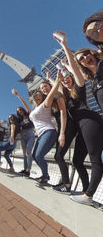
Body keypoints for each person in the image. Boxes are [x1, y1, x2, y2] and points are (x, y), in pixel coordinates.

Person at [54, 31, 103, 205]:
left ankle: (88, 195)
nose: (68, 82)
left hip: (91, 122)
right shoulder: (66, 97)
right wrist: (62, 73)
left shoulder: (80, 86)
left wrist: (64, 46)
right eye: (81, 59)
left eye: (70, 79)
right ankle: (85, 190)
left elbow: (75, 71)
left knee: (95, 158)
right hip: (83, 128)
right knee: (76, 160)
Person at [12, 76, 61, 184]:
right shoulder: (34, 110)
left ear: (43, 97)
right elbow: (25, 107)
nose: (37, 96)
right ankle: (45, 175)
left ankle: (45, 176)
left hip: (49, 131)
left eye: (40, 94)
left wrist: (57, 81)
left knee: (39, 155)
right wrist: (18, 95)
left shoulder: (45, 104)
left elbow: (52, 93)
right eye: (36, 95)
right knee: (34, 156)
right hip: (40, 134)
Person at [39, 80, 75, 193]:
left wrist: (62, 133)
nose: (44, 89)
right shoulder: (49, 100)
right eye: (42, 88)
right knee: (58, 156)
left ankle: (67, 185)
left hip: (68, 126)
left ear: (50, 86)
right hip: (63, 128)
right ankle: (65, 182)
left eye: (45, 86)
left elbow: (63, 113)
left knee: (59, 155)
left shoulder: (57, 95)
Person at [15, 106, 35, 177]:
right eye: (18, 111)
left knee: (28, 152)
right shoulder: (19, 119)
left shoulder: (28, 115)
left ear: (23, 109)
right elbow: (17, 127)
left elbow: (33, 123)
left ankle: (28, 170)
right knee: (24, 154)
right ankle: (25, 169)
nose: (19, 111)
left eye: (20, 110)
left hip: (30, 134)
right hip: (22, 135)